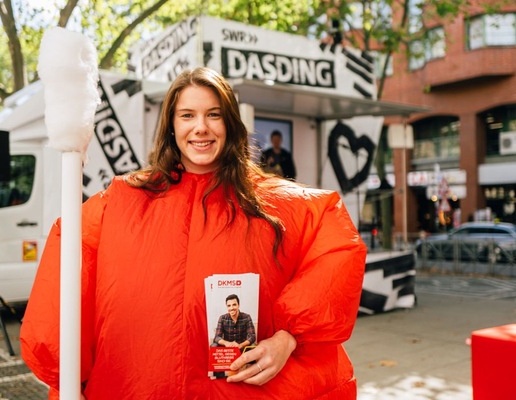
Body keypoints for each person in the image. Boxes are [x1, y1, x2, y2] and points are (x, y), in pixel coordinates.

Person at [20, 67, 366, 399]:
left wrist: (289, 337)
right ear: (171, 125)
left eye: (213, 115)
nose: (201, 127)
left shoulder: (276, 203)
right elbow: (68, 262)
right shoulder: (122, 202)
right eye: (187, 115)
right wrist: (66, 376)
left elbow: (336, 249)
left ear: (230, 124)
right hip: (140, 386)